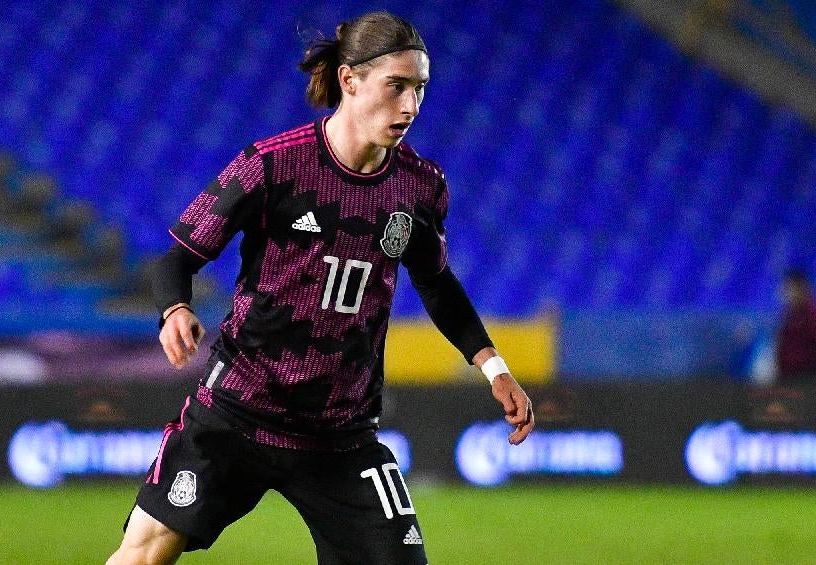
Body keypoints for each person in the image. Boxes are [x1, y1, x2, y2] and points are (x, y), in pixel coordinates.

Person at [107, 11, 534, 565]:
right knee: (143, 554)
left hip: (343, 434)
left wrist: (493, 366)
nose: (410, 106)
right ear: (350, 80)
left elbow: (438, 284)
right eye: (396, 86)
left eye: (420, 89)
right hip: (239, 411)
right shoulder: (271, 166)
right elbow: (175, 260)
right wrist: (174, 309)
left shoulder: (420, 186)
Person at [776, 268, 816, 385]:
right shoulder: (789, 314)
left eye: (791, 288)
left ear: (802, 288)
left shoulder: (813, 314)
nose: (787, 293)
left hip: (807, 377)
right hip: (788, 376)